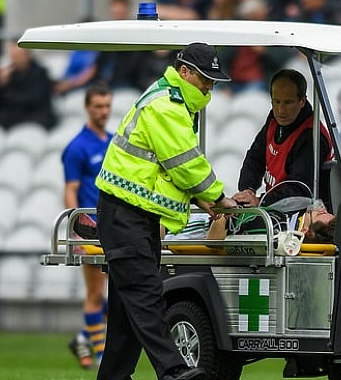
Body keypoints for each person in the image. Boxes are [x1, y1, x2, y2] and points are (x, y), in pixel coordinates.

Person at [94, 42, 237, 380]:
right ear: (184, 72)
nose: (209, 88)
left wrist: (198, 198)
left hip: (131, 215)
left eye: (213, 82)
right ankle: (173, 371)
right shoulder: (167, 106)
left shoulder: (169, 102)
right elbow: (186, 165)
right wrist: (217, 198)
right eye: (205, 80)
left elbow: (165, 171)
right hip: (126, 216)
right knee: (146, 296)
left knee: (127, 311)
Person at [62, 85, 113, 370]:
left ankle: (84, 337)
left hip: (114, 225)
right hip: (90, 228)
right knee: (96, 294)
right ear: (87, 107)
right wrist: (76, 227)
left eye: (107, 106)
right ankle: (103, 358)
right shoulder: (77, 147)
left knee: (119, 293)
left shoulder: (113, 141)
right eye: (98, 106)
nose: (103, 112)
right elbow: (70, 190)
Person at [233, 69, 334, 207]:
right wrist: (247, 190)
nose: (281, 110)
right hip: (273, 206)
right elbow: (255, 157)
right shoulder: (276, 119)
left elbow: (300, 190)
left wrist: (260, 201)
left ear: (302, 101)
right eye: (276, 101)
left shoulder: (312, 137)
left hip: (300, 213)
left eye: (288, 103)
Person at [0, 39, 57, 130]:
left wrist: (10, 96)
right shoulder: (9, 74)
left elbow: (35, 99)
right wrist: (1, 84)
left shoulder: (40, 73)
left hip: (36, 114)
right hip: (15, 115)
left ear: (28, 54)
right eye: (13, 56)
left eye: (19, 56)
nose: (16, 59)